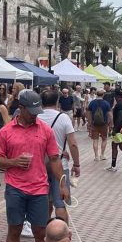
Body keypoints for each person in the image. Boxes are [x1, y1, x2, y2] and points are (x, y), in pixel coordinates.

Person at [0, 90, 68, 242]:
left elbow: (55, 159)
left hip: (40, 188)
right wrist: (13, 162)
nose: (35, 116)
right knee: (14, 230)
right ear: (21, 109)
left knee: (40, 233)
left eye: (37, 112)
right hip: (15, 188)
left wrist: (63, 184)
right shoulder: (6, 131)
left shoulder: (45, 130)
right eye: (32, 112)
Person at [38, 87, 81, 223]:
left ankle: (43, 237)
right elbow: (73, 143)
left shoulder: (35, 117)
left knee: (44, 203)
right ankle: (62, 238)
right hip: (60, 163)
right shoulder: (63, 118)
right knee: (60, 203)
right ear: (57, 101)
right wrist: (77, 164)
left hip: (39, 166)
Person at [86, 89, 111, 161]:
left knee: (95, 140)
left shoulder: (92, 103)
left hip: (94, 124)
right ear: (103, 95)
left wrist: (89, 122)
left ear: (96, 94)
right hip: (104, 124)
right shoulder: (106, 103)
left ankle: (96, 156)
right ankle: (102, 155)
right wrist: (110, 124)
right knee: (104, 139)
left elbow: (89, 113)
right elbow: (110, 115)